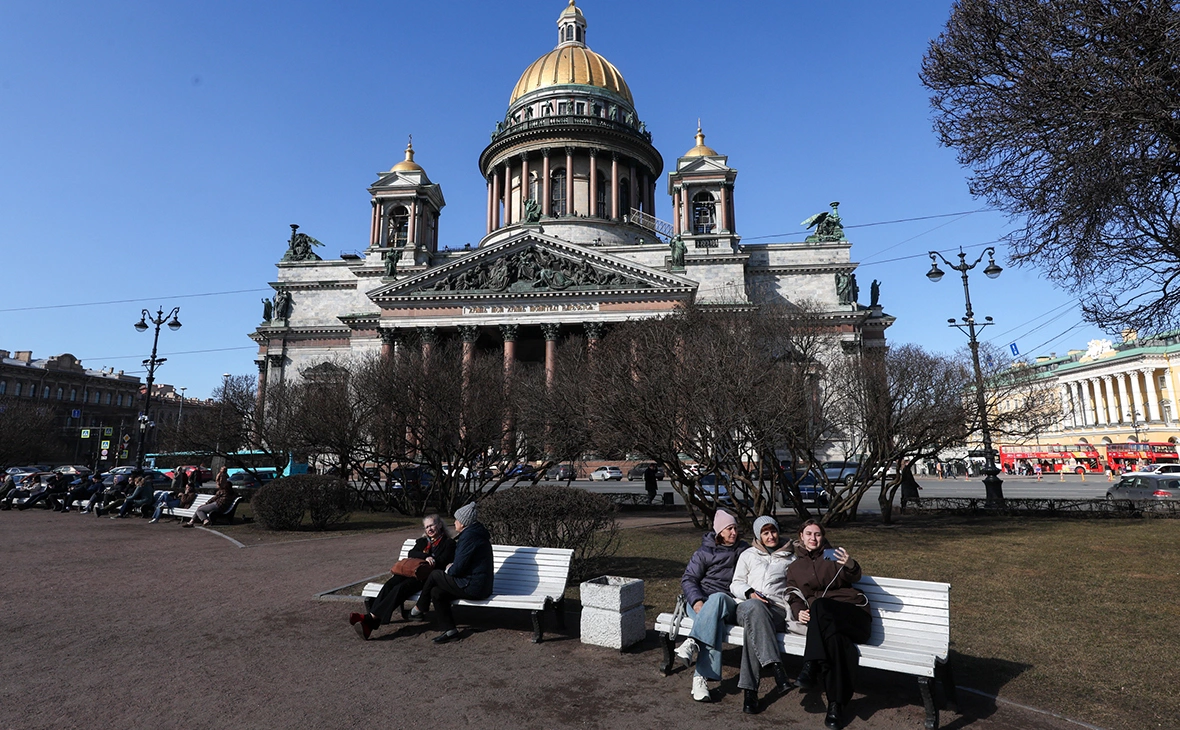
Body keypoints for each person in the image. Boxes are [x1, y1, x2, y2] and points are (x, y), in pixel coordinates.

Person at [787, 519, 871, 730]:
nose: (813, 538)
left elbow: (855, 574)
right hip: (829, 626)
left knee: (820, 605)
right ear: (801, 537)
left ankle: (810, 665)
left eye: (817, 534)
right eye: (809, 534)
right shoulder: (795, 567)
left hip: (854, 617)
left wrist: (850, 564)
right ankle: (836, 705)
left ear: (822, 536)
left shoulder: (833, 556)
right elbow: (793, 594)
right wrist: (798, 611)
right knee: (833, 641)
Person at [675, 509, 749, 703]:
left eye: (735, 528)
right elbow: (689, 579)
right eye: (729, 529)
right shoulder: (703, 552)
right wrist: (698, 601)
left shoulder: (744, 550)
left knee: (717, 598)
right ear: (719, 532)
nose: (734, 532)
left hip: (727, 602)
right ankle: (699, 679)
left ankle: (692, 642)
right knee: (712, 625)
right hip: (698, 601)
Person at [730, 516, 798, 714]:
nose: (771, 536)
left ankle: (750, 691)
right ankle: (776, 666)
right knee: (755, 610)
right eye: (765, 533)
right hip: (746, 606)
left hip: (775, 610)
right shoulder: (748, 555)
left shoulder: (790, 557)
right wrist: (750, 592)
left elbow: (794, 587)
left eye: (773, 531)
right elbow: (735, 583)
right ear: (758, 536)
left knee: (755, 626)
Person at [350, 514, 456, 640]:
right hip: (412, 572)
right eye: (426, 527)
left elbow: (443, 561)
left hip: (427, 578)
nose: (429, 529)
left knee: (400, 589)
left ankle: (369, 619)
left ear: (439, 525)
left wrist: (432, 559)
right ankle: (371, 620)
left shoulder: (448, 543)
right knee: (391, 583)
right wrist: (425, 557)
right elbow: (412, 553)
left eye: (431, 525)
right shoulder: (423, 541)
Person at [410, 502, 493, 644]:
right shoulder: (474, 534)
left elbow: (458, 569)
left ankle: (420, 607)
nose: (454, 522)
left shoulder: (469, 537)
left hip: (474, 587)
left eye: (456, 520)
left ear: (464, 523)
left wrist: (449, 568)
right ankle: (450, 630)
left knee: (435, 574)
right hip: (476, 583)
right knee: (437, 592)